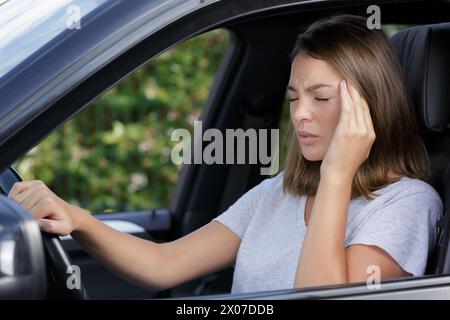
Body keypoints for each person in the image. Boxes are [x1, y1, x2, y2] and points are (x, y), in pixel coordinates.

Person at [8, 14, 443, 294]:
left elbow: (318, 295)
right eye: (293, 99)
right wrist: (77, 219)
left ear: (368, 107)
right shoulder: (280, 192)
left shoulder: (406, 204)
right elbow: (166, 264)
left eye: (321, 98)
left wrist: (337, 175)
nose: (300, 116)